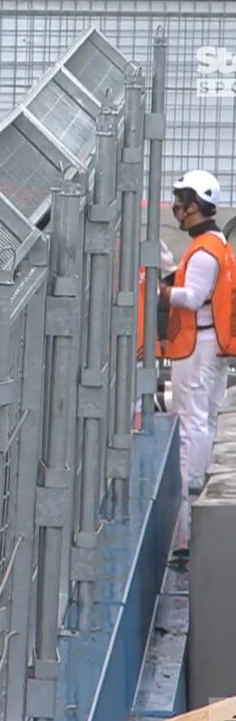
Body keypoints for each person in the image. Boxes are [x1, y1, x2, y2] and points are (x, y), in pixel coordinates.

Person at [155, 170, 235, 495]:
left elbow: (193, 297)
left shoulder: (204, 251)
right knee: (205, 416)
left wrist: (161, 293)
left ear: (195, 206)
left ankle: (187, 492)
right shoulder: (214, 243)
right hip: (212, 344)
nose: (175, 208)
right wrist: (169, 273)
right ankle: (197, 485)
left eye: (179, 202)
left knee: (190, 420)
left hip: (199, 346)